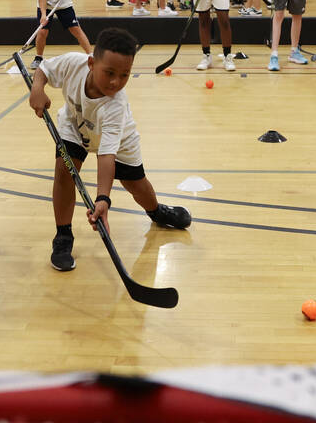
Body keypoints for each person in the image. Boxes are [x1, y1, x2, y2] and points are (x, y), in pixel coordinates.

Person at [26, 27, 192, 272]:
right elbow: (43, 70)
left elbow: (107, 156)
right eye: (109, 73)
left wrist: (103, 199)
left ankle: (156, 212)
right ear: (92, 63)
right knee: (64, 171)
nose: (116, 82)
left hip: (119, 138)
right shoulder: (74, 63)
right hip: (75, 124)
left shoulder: (116, 105)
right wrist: (37, 89)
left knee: (136, 184)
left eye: (125, 75)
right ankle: (63, 237)